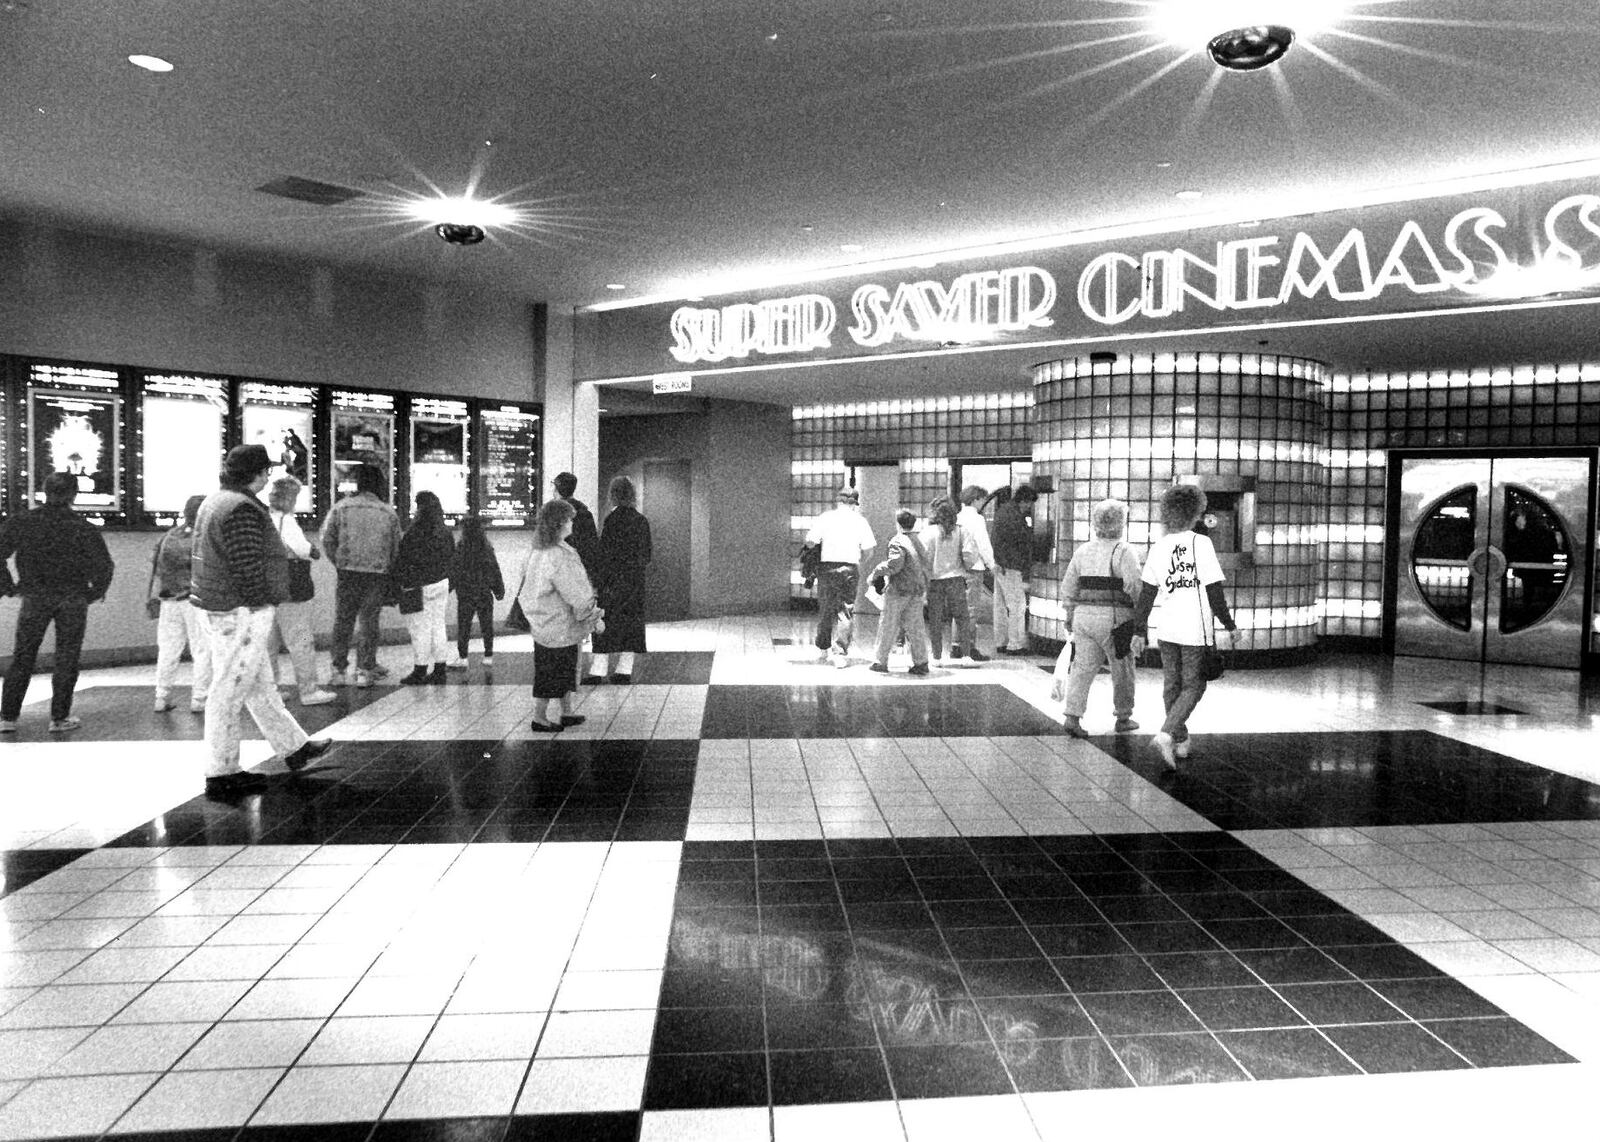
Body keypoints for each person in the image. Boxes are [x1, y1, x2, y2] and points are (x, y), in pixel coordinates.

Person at [190, 445, 332, 797]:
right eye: (265, 471)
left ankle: (294, 747)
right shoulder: (241, 508)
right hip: (240, 611)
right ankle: (221, 771)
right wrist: (260, 601)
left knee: (259, 683)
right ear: (254, 473)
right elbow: (246, 563)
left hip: (224, 606)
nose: (269, 476)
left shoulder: (217, 500)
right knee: (229, 689)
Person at [1129, 484, 1237, 768]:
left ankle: (1181, 739)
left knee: (1172, 687)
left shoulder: (1159, 547)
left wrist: (1139, 630)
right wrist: (1229, 624)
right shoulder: (1202, 544)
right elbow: (1214, 591)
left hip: (1167, 629)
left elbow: (1147, 595)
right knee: (1195, 686)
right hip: (1195, 630)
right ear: (1196, 512)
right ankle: (1166, 734)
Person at [0, 472, 115, 734]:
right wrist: (93, 593)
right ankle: (59, 717)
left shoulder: (23, 522)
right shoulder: (83, 527)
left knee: (23, 656)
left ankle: (7, 716)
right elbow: (104, 566)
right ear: (74, 495)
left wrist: (9, 587)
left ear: (44, 491)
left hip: (35, 596)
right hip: (72, 598)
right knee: (67, 657)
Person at [1054, 498, 1144, 737]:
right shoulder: (1124, 550)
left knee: (1082, 667)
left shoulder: (1083, 550)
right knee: (1122, 668)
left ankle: (1073, 716)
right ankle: (1123, 717)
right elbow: (1134, 584)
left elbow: (1069, 586)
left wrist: (1069, 613)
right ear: (1121, 523)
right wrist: (1139, 612)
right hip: (1115, 619)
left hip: (1083, 616)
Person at [518, 499, 604, 732]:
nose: (572, 523)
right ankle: (540, 717)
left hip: (542, 621)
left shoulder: (536, 550)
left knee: (552, 667)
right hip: (560, 622)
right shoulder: (561, 555)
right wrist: (593, 616)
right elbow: (575, 592)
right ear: (560, 523)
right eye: (569, 519)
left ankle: (566, 711)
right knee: (558, 669)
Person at [321, 462, 400, 688]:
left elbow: (327, 539)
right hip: (376, 574)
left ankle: (338, 670)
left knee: (343, 621)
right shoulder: (388, 512)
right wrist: (385, 565)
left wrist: (339, 561)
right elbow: (396, 547)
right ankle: (364, 671)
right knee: (369, 623)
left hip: (347, 573)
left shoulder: (341, 507)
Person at [265, 475, 336, 707]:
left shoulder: (264, 518)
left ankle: (271, 690)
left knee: (269, 643)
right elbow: (300, 548)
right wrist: (313, 551)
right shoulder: (287, 521)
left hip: (267, 590)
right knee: (302, 639)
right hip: (293, 592)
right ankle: (309, 689)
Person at [149, 493, 214, 714]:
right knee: (202, 649)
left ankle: (161, 696)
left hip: (169, 600)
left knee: (168, 650)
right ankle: (200, 698)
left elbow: (156, 566)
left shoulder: (169, 536)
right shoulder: (204, 537)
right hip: (195, 601)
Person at [587, 475, 652, 684]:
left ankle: (599, 669)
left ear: (613, 495)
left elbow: (604, 554)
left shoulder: (611, 520)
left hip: (613, 582)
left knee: (605, 624)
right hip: (634, 583)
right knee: (631, 625)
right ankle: (624, 670)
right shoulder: (641, 521)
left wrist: (598, 582)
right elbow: (647, 554)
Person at [804, 485, 877, 667]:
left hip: (827, 568)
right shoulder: (860, 521)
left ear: (838, 501)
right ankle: (840, 653)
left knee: (826, 608)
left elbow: (810, 541)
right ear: (854, 503)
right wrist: (859, 561)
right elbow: (869, 550)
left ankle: (823, 648)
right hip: (850, 568)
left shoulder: (826, 517)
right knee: (845, 610)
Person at [393, 490, 456, 685]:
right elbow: (452, 558)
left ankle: (420, 670)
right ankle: (439, 670)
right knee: (438, 626)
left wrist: (400, 583)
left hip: (419, 586)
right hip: (442, 584)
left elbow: (403, 559)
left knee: (420, 629)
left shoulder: (415, 532)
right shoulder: (445, 532)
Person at [920, 495, 985, 662]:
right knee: (962, 618)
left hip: (935, 580)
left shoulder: (928, 532)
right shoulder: (961, 531)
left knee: (935, 619)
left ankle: (936, 656)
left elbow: (922, 557)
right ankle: (966, 655)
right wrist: (968, 568)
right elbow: (969, 555)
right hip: (956, 579)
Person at [868, 509, 932, 676]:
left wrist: (876, 571)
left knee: (888, 625)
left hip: (899, 590)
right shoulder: (918, 540)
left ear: (897, 523)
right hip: (917, 589)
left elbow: (895, 565)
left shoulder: (897, 541)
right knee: (915, 626)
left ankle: (880, 661)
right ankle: (921, 662)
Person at [451, 514, 504, 667]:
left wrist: (451, 587)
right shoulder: (487, 548)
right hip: (484, 593)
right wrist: (498, 589)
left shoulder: (461, 548)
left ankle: (463, 657)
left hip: (466, 593)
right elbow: (494, 570)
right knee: (487, 625)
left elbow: (454, 570)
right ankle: (488, 655)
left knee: (464, 626)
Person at [992, 484, 1038, 654]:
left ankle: (1001, 642)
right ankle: (1015, 644)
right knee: (1017, 605)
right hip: (1010, 565)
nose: (1029, 507)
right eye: (1029, 504)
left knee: (1000, 605)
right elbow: (1021, 538)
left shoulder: (1003, 510)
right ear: (1024, 500)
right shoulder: (1014, 515)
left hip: (999, 564)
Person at [957, 483, 997, 635]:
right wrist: (991, 564)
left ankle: (956, 644)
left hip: (958, 567)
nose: (983, 504)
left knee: (959, 607)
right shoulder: (977, 519)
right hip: (974, 568)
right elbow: (983, 544)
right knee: (971, 608)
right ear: (975, 500)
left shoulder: (957, 518)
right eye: (982, 501)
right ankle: (969, 645)